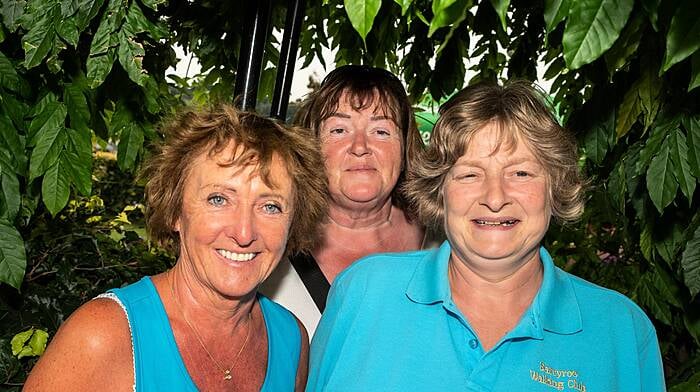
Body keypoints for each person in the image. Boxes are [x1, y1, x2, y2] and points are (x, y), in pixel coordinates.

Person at [307, 81, 665, 391]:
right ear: (440, 190)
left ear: (555, 188)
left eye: (521, 173)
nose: (495, 198)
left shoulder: (621, 331)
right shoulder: (364, 291)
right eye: (469, 175)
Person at [24, 105, 328, 391]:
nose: (244, 232)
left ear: (294, 224)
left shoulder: (291, 339)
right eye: (219, 199)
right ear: (174, 212)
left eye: (271, 206)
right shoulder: (105, 336)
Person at [261, 65, 437, 336]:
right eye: (339, 130)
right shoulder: (269, 246)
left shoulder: (444, 244)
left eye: (380, 131)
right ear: (312, 146)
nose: (360, 147)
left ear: (404, 148)